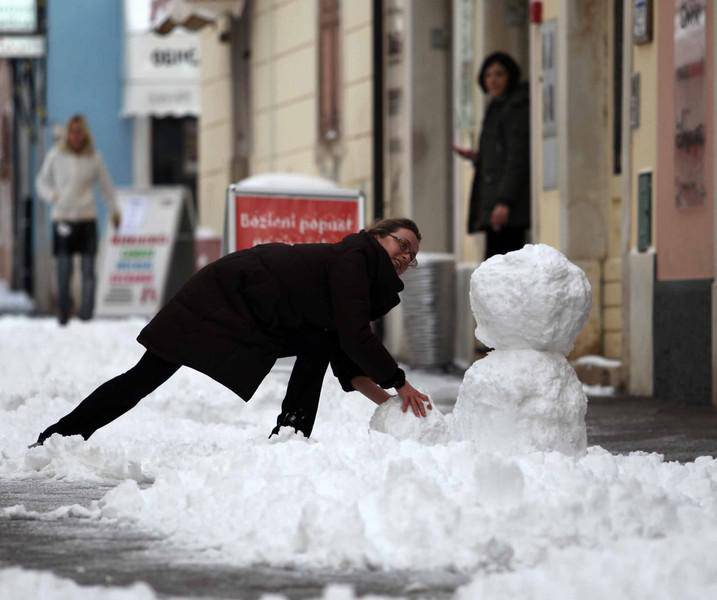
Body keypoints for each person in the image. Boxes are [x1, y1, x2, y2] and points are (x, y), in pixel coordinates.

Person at [33, 218, 431, 446]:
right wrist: (400, 384)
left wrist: (392, 405)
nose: (406, 255)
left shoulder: (359, 269)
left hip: (252, 305)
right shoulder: (355, 260)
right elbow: (355, 332)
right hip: (225, 297)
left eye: (412, 255)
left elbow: (347, 351)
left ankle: (290, 435)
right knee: (147, 376)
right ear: (379, 235)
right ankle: (59, 437)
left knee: (320, 339)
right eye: (402, 243)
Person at [36, 114, 120, 325]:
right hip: (62, 218)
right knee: (64, 270)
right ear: (68, 133)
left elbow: (106, 187)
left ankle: (86, 315)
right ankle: (63, 314)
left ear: (85, 134)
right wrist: (53, 196)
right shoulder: (55, 156)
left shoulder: (94, 157)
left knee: (88, 271)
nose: (76, 136)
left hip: (86, 218)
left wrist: (114, 211)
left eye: (80, 132)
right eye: (73, 132)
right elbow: (41, 183)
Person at [453, 51, 530, 258]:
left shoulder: (515, 108)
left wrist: (504, 202)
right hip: (495, 202)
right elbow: (498, 154)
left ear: (510, 76)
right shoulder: (496, 107)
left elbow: (517, 157)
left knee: (504, 262)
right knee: (495, 260)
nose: (493, 80)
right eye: (488, 75)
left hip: (507, 208)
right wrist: (477, 157)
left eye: (499, 74)